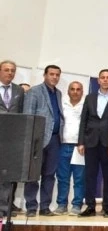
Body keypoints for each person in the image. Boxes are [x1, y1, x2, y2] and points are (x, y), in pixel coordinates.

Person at [78, 69, 108, 217]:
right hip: (91, 141)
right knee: (90, 175)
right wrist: (81, 142)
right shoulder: (90, 97)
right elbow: (83, 120)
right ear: (98, 80)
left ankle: (107, 207)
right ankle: (90, 206)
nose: (105, 80)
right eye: (102, 77)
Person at [23, 65, 64, 217]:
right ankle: (31, 207)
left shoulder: (58, 93)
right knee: (33, 175)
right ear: (45, 75)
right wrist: (30, 140)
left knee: (49, 175)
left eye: (57, 75)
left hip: (54, 139)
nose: (55, 77)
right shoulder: (34, 91)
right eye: (51, 74)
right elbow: (28, 116)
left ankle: (45, 207)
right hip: (37, 139)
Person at [55, 81, 85, 216]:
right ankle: (61, 205)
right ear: (68, 91)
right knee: (62, 178)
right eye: (72, 89)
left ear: (82, 92)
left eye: (78, 89)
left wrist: (83, 143)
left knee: (79, 179)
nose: (75, 92)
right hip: (62, 145)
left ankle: (77, 205)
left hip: (79, 147)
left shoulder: (86, 106)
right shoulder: (62, 105)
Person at [0, 60, 25, 217]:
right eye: (6, 70)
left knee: (7, 173)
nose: (10, 73)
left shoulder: (19, 90)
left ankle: (4, 207)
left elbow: (21, 113)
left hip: (11, 138)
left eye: (12, 70)